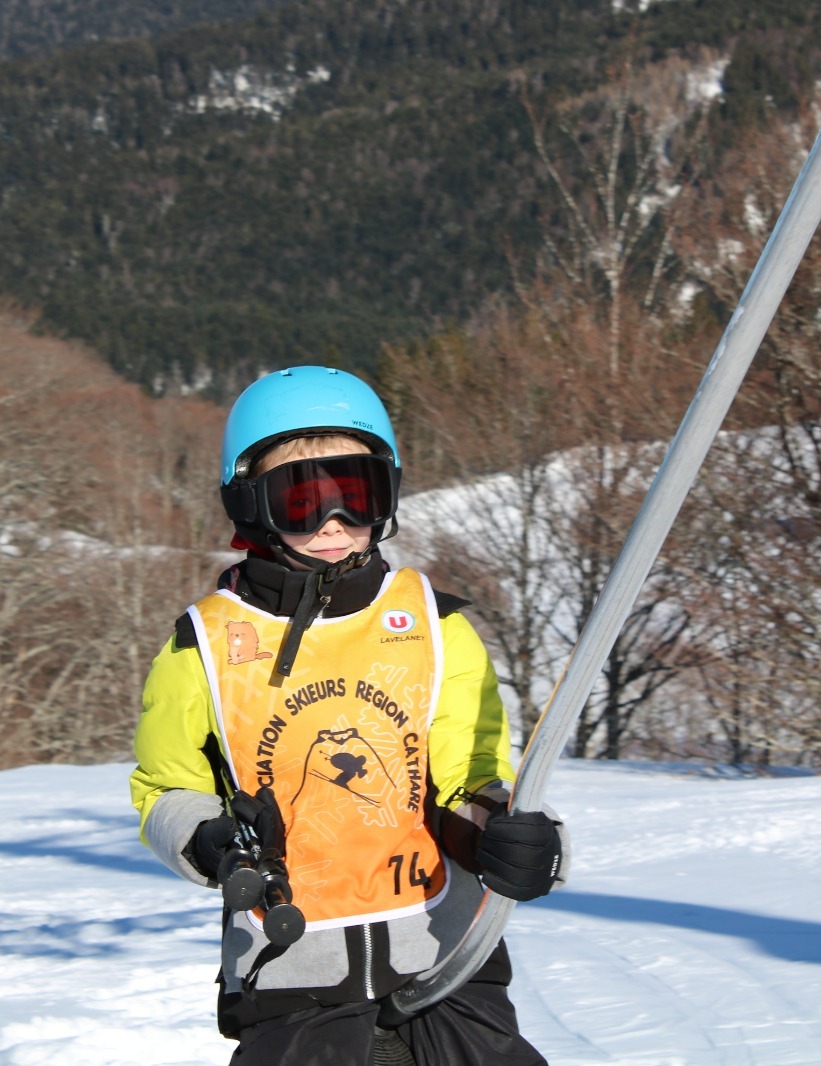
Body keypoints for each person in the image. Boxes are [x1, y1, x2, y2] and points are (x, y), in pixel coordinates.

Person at [130, 366, 568, 1065]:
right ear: (249, 504)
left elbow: (471, 773)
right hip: (291, 964)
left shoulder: (435, 627)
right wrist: (206, 838)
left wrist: (508, 835)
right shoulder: (204, 646)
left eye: (355, 494)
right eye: (301, 499)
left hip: (444, 949)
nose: (332, 523)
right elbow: (165, 788)